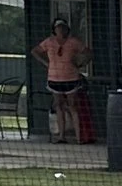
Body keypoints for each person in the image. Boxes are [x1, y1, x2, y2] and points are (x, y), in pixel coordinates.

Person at [35, 13, 89, 142]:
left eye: (63, 27)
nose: (61, 30)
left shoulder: (73, 42)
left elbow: (88, 52)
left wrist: (80, 63)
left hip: (71, 78)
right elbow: (35, 51)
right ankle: (61, 136)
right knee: (58, 106)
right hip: (54, 78)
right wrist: (46, 63)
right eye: (58, 28)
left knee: (72, 106)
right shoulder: (49, 42)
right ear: (54, 29)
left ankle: (78, 137)